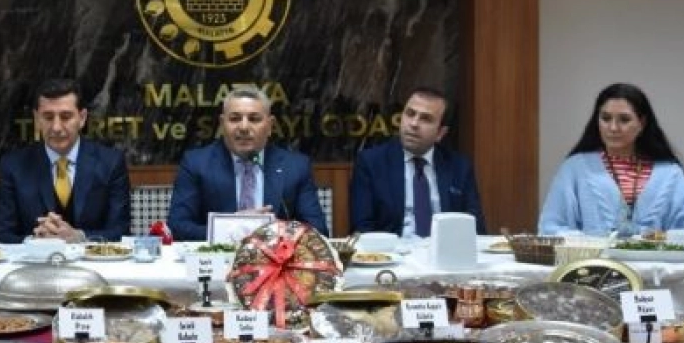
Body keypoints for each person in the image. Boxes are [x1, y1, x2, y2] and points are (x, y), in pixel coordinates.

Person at [539, 82, 684, 236]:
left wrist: (657, 241)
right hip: (594, 257)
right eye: (605, 118)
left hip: (658, 257)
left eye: (624, 120)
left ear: (642, 123)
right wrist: (589, 242)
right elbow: (550, 228)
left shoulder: (669, 173)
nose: (613, 128)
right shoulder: (575, 168)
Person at [168, 86, 328, 241]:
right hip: (217, 257)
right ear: (222, 124)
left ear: (270, 125)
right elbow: (177, 227)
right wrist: (233, 228)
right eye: (235, 118)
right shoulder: (196, 164)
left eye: (254, 119)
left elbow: (318, 230)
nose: (244, 127)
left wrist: (272, 233)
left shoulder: (295, 166)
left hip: (276, 257)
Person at [0, 79, 130, 243]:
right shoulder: (13, 166)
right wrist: (35, 241)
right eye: (48, 117)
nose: (56, 127)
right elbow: (0, 236)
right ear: (37, 119)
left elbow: (121, 232)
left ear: (82, 118)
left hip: (91, 258)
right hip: (34, 259)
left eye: (65, 117)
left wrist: (80, 237)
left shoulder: (110, 163)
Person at [349, 87, 486, 236]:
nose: (414, 123)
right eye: (410, 114)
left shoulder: (459, 167)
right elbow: (363, 228)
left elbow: (475, 228)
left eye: (425, 119)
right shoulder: (371, 162)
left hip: (444, 248)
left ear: (440, 133)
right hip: (393, 249)